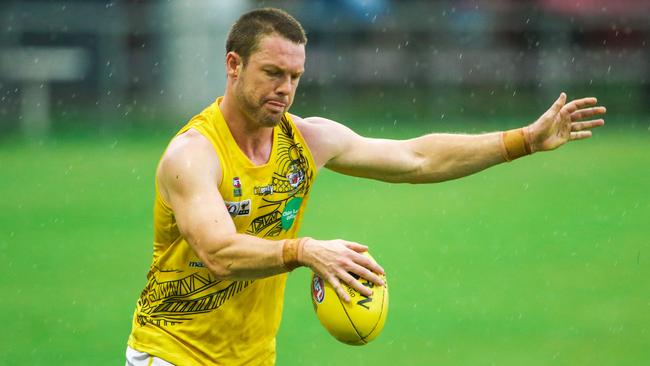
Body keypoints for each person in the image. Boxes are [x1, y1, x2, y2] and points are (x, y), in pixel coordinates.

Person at [126, 7, 606, 366]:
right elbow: (218, 252)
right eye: (272, 72)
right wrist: (306, 250)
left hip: (252, 357)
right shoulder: (192, 154)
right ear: (234, 65)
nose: (285, 88)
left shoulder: (307, 140)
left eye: (294, 76)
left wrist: (522, 140)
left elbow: (416, 158)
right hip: (171, 353)